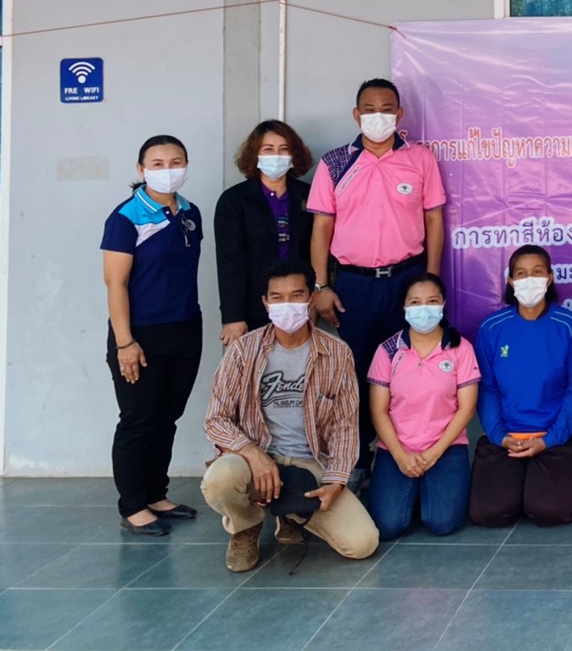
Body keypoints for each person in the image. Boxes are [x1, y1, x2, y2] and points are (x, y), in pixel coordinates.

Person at [201, 261, 379, 572]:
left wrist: (335, 482)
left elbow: (345, 427)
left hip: (310, 465)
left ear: (311, 299)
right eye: (277, 297)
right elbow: (216, 419)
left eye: (296, 296)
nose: (287, 305)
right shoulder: (244, 350)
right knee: (221, 478)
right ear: (265, 303)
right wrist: (252, 453)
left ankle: (292, 511)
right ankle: (245, 527)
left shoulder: (337, 353)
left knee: (362, 543)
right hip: (254, 460)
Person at [308, 78, 447, 474]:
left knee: (407, 369)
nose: (378, 116)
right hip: (355, 284)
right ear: (356, 115)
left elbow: (434, 221)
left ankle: (400, 459)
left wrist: (430, 281)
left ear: (399, 114)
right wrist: (321, 285)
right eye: (369, 109)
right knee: (356, 372)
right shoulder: (336, 162)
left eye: (387, 109)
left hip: (407, 281)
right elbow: (321, 227)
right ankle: (356, 462)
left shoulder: (420, 159)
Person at [102, 135, 205, 537]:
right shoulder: (126, 217)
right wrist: (124, 342)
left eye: (176, 162)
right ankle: (132, 506)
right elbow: (115, 283)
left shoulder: (190, 212)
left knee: (167, 417)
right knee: (139, 419)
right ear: (141, 169)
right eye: (157, 163)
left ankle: (155, 494)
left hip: (185, 328)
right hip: (141, 334)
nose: (168, 170)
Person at [468, 245, 572, 527]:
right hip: (507, 438)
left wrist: (550, 439)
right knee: (489, 513)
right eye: (521, 274)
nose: (530, 280)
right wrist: (500, 436)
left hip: (557, 437)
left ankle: (535, 486)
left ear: (549, 278)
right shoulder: (492, 328)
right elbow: (488, 389)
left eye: (537, 272)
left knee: (549, 511)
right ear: (511, 281)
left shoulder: (570, 326)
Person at [366, 273, 480, 539]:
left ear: (443, 304)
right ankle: (412, 491)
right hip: (396, 448)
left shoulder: (460, 348)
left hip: (446, 447)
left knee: (443, 523)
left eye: (432, 301)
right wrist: (400, 455)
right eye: (415, 302)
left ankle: (422, 492)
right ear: (404, 307)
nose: (424, 309)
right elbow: (378, 411)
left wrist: (434, 453)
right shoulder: (388, 350)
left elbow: (467, 408)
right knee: (387, 526)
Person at [215, 120, 314, 347]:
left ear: (294, 154)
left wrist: (316, 297)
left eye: (284, 149)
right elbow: (230, 261)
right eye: (268, 149)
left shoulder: (308, 194)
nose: (276, 156)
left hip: (299, 303)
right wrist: (233, 316)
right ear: (255, 154)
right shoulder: (235, 200)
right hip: (254, 306)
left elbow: (319, 248)